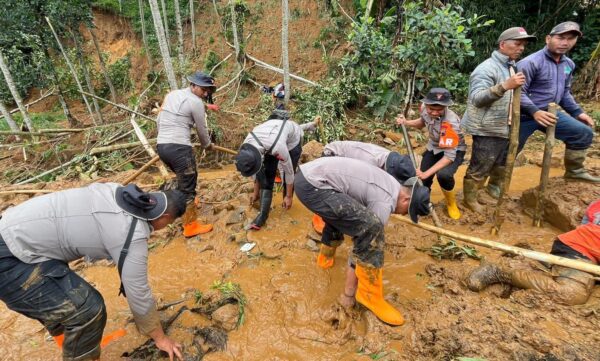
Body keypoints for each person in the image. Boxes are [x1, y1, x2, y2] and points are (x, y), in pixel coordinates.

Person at [0, 183, 188, 361]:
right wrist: (160, 338)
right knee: (87, 310)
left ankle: (71, 346)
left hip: (15, 232)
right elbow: (138, 292)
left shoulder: (116, 190)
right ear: (165, 218)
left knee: (63, 296)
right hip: (10, 258)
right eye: (169, 223)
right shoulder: (132, 234)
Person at [294, 157, 431, 325]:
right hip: (314, 186)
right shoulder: (384, 201)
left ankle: (325, 259)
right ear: (406, 200)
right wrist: (349, 294)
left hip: (308, 176)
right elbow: (364, 242)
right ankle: (367, 295)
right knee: (371, 229)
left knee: (346, 214)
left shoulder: (392, 184)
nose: (402, 214)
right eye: (407, 211)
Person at [465, 199, 600, 306]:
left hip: (577, 244)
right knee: (570, 294)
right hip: (580, 249)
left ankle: (529, 255)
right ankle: (497, 271)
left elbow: (586, 222)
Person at [461, 27, 537, 212]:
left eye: (523, 45)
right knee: (481, 163)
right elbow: (477, 99)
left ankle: (490, 191)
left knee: (500, 161)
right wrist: (504, 86)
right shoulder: (486, 68)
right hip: (487, 127)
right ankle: (469, 200)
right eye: (517, 44)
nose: (521, 48)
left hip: (505, 124)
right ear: (502, 44)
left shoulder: (511, 66)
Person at [518, 21, 598, 183]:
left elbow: (564, 92)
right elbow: (518, 93)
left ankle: (574, 171)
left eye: (570, 39)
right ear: (548, 39)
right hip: (523, 115)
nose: (565, 43)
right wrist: (534, 111)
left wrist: (578, 112)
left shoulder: (568, 64)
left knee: (582, 133)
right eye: (561, 38)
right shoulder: (531, 62)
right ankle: (494, 184)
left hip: (550, 113)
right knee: (507, 150)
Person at [235, 110, 319, 230]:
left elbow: (289, 171)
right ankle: (263, 216)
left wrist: (289, 196)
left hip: (292, 142)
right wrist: (255, 193)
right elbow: (256, 169)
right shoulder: (247, 145)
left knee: (286, 174)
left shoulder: (278, 146)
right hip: (268, 141)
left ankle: (287, 199)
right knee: (267, 174)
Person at [157, 71, 217, 238]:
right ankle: (190, 226)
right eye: (203, 90)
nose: (205, 94)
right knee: (188, 186)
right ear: (193, 85)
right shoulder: (196, 102)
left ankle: (185, 204)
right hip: (179, 148)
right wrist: (207, 145)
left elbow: (159, 120)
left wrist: (164, 140)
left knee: (184, 178)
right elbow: (201, 128)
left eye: (208, 91)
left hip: (162, 146)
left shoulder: (172, 94)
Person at [396, 88, 466, 220]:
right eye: (431, 109)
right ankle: (423, 203)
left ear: (445, 106)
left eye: (439, 110)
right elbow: (422, 122)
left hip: (453, 151)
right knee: (423, 180)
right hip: (434, 146)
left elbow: (449, 157)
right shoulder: (424, 108)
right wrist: (406, 123)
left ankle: (451, 203)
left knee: (444, 175)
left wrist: (426, 172)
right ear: (426, 104)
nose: (434, 112)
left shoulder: (450, 123)